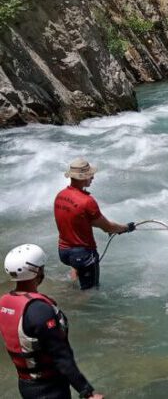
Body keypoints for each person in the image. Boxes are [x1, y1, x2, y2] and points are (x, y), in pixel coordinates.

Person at [0, 244, 104, 399]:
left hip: (26, 385)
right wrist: (87, 392)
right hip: (50, 389)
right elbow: (61, 356)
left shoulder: (5, 302)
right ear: (37, 271)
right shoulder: (39, 310)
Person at [54, 158, 135, 290]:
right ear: (83, 178)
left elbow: (82, 219)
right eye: (90, 175)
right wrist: (126, 228)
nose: (93, 177)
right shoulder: (87, 201)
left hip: (64, 251)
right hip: (83, 255)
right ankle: (72, 305)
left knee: (77, 270)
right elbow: (107, 227)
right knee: (90, 292)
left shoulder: (60, 195)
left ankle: (72, 289)